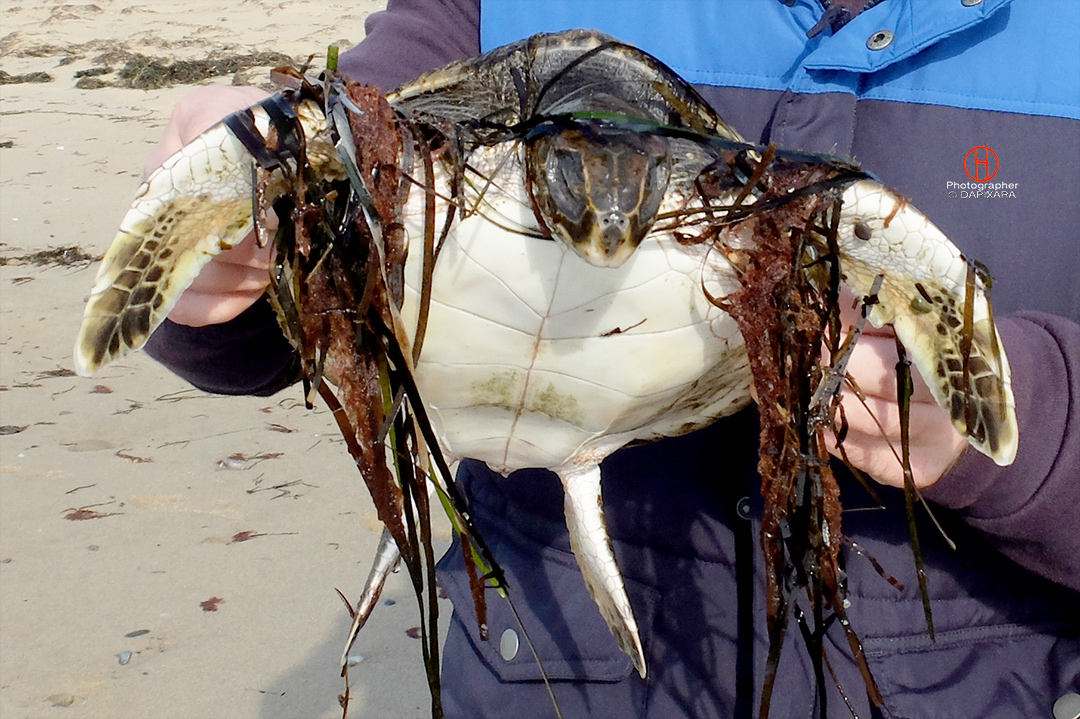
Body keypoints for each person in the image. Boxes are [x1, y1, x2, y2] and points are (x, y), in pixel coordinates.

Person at [141, 1, 1080, 717]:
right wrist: (231, 254)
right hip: (551, 678)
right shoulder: (483, 12)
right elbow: (339, 168)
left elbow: (1004, 396)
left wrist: (1025, 419)